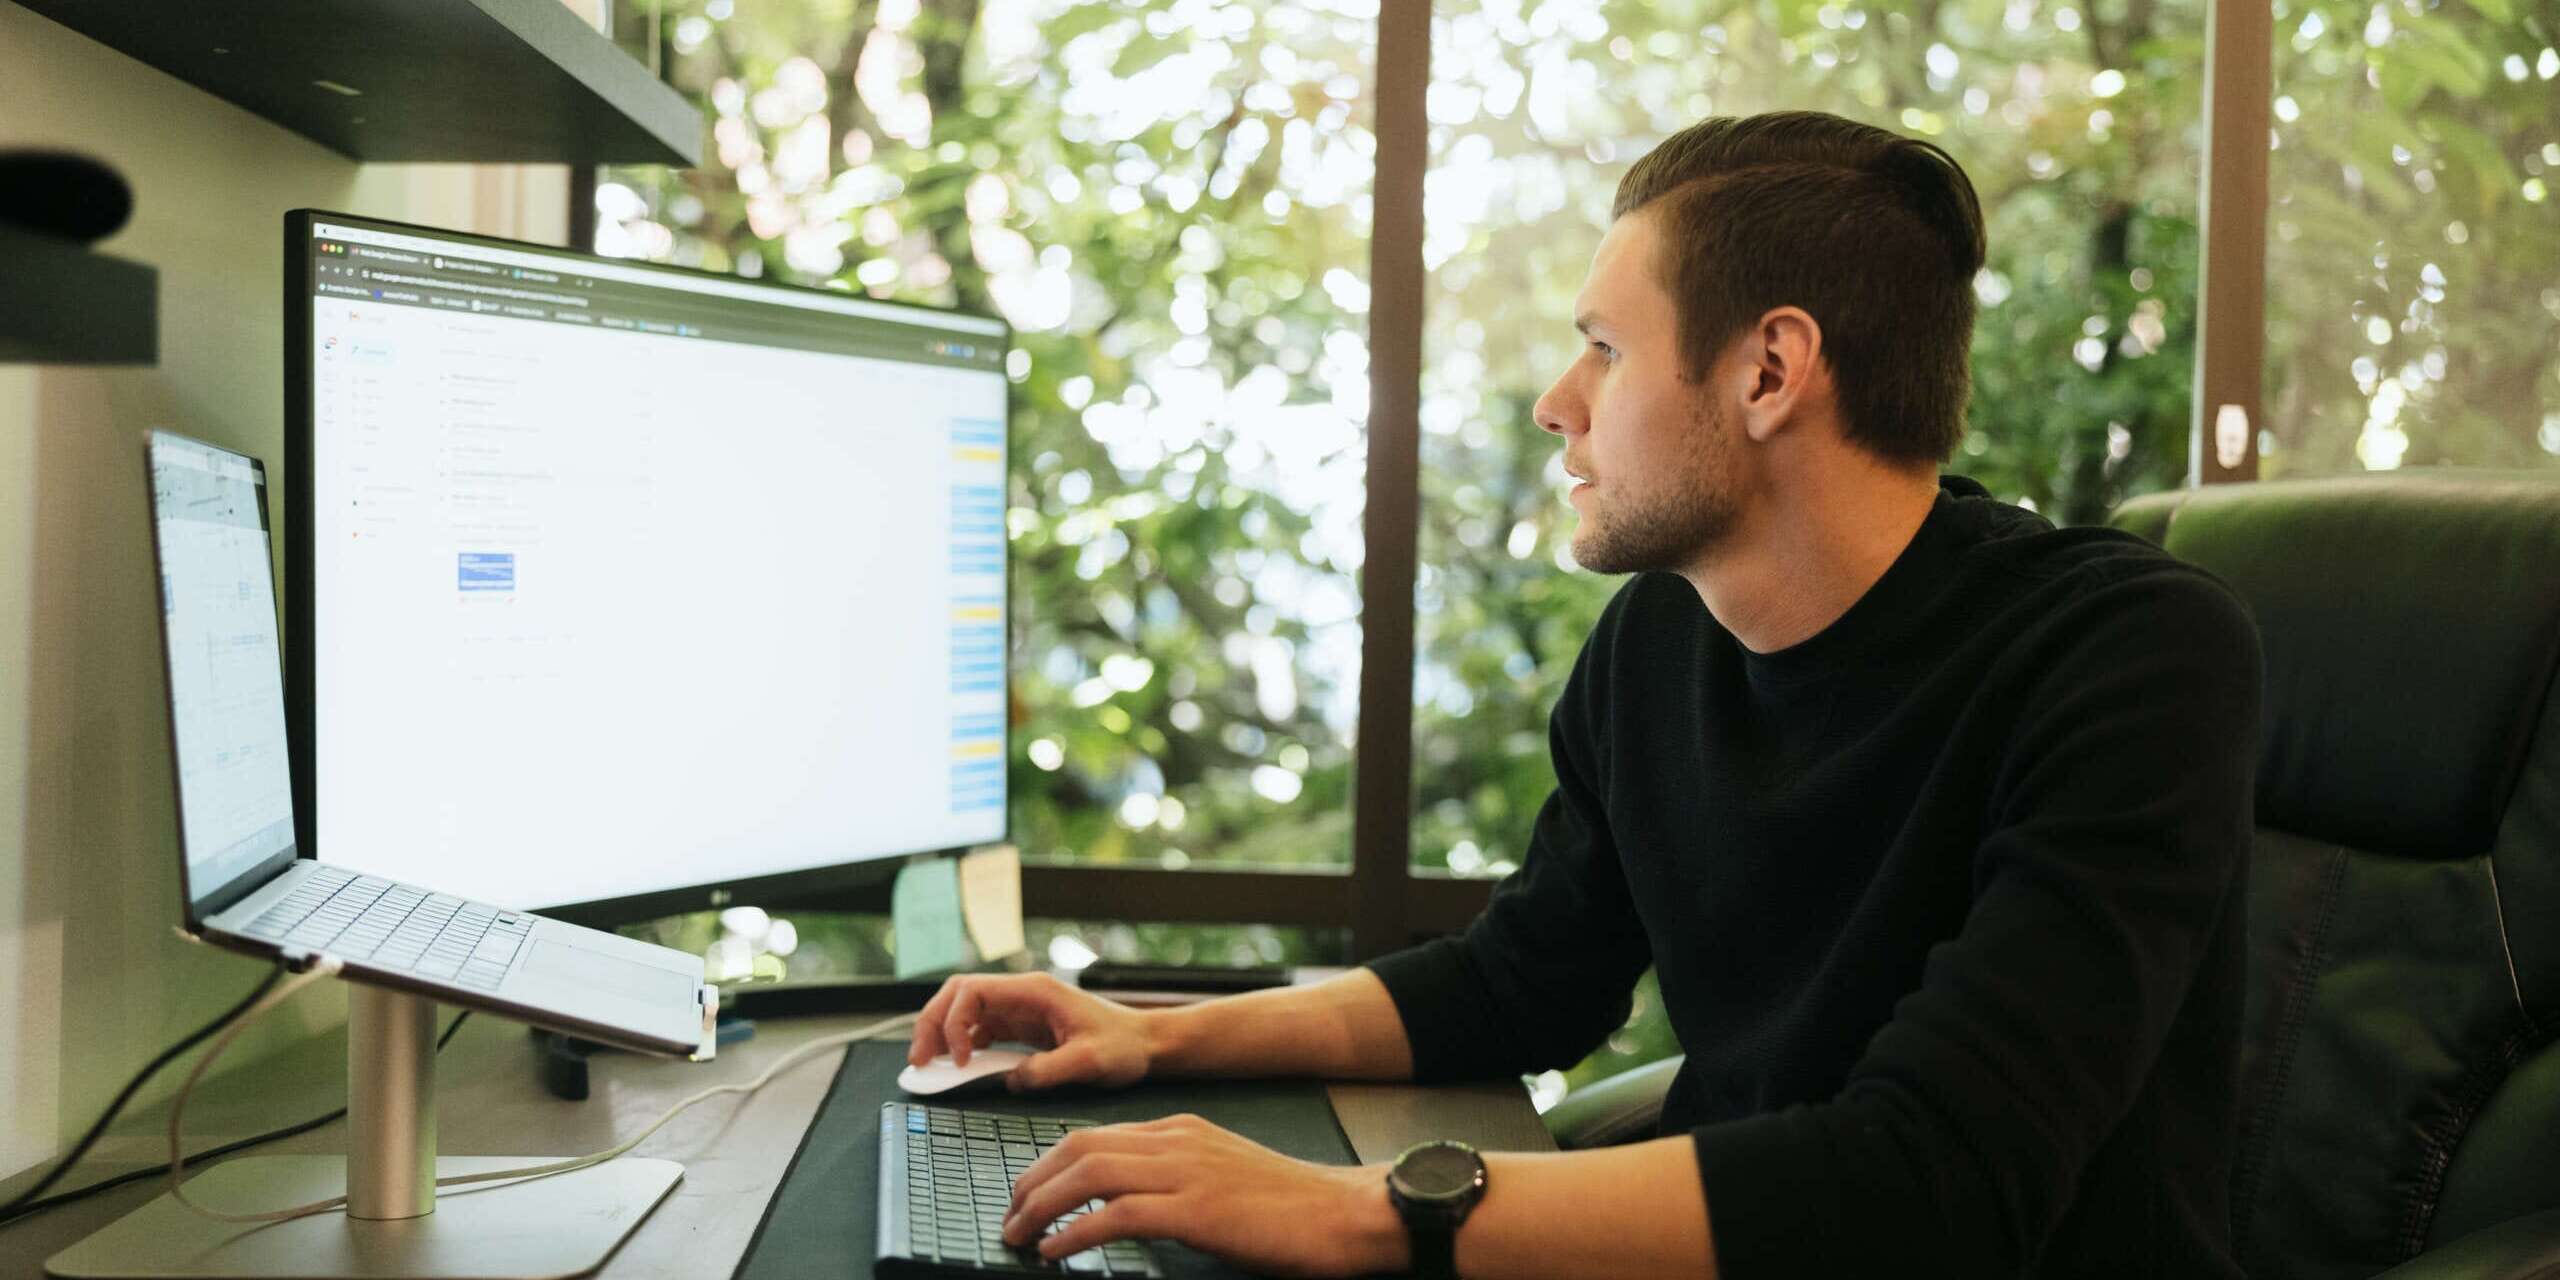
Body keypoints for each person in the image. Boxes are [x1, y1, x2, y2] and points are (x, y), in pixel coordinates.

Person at [906, 110, 2260, 1279]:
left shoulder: (2129, 657)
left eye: (1606, 346)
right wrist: (1156, 1038)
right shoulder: (1656, 646)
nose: (1558, 403)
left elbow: (1933, 1183)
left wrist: (1355, 1212)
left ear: (1769, 371)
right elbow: (1523, 982)